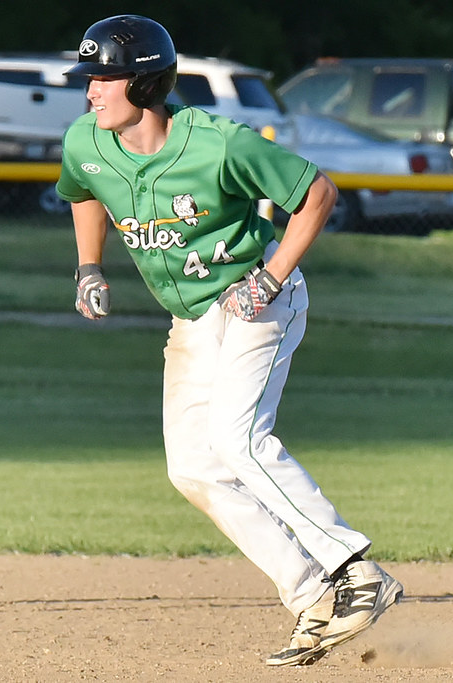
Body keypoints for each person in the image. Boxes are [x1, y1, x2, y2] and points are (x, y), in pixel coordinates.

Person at [55, 16, 402, 666]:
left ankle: (358, 572)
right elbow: (83, 188)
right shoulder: (86, 141)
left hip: (254, 296)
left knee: (240, 438)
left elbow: (317, 193)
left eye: (105, 76)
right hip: (192, 318)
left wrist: (272, 278)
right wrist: (89, 266)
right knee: (191, 465)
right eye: (91, 77)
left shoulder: (218, 144)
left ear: (145, 81)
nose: (91, 90)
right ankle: (314, 599)